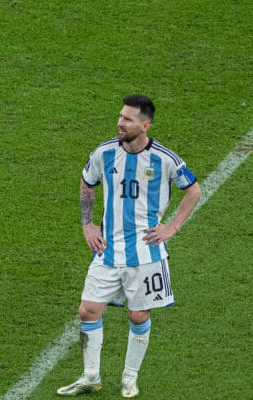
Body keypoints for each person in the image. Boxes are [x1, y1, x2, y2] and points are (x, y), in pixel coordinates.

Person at [57, 95, 201, 398]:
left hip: (146, 254)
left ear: (145, 125)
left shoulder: (165, 159)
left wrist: (172, 227)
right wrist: (87, 224)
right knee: (88, 311)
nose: (121, 123)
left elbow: (193, 191)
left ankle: (129, 377)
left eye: (128, 119)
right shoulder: (104, 153)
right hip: (107, 250)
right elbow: (87, 184)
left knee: (138, 316)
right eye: (121, 117)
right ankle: (90, 377)